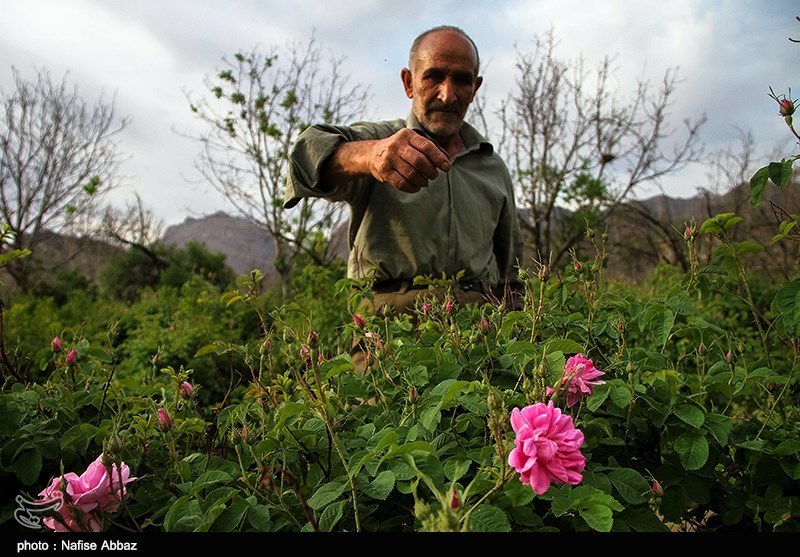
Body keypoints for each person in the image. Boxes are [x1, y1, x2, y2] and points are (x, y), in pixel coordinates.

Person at [284, 24, 524, 329]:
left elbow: (511, 275)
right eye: (434, 76)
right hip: (390, 333)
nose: (447, 95)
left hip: (479, 335)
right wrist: (371, 156)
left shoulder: (492, 167)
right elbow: (305, 156)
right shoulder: (382, 140)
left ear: (475, 88)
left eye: (461, 80)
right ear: (409, 82)